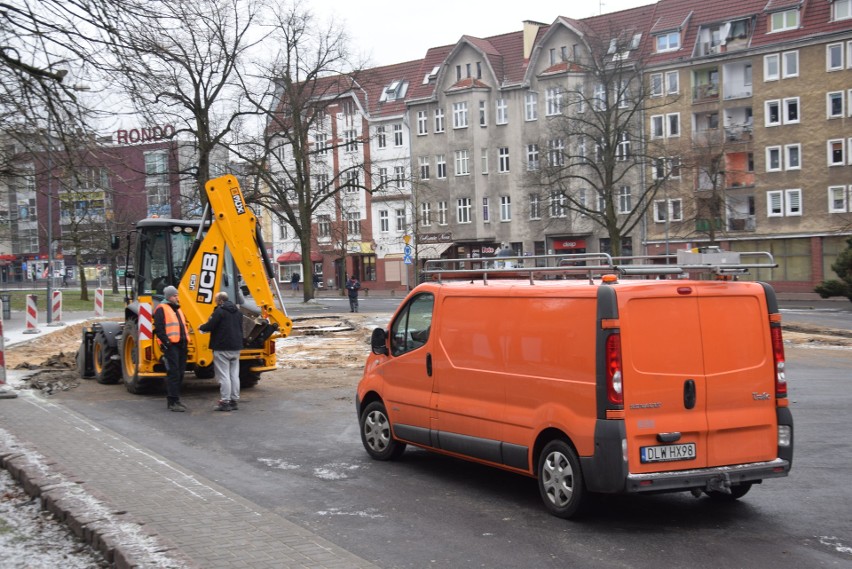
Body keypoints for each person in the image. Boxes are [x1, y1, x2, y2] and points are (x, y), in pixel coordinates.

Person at [199, 291, 243, 412]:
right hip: (236, 347)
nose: (215, 302)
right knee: (234, 375)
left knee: (224, 376)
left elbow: (210, 325)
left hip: (222, 348)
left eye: (215, 300)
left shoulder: (219, 311)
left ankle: (225, 401)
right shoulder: (238, 312)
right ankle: (234, 400)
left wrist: (200, 327)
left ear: (220, 301)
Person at [154, 286, 190, 412]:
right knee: (173, 373)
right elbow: (159, 328)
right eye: (175, 295)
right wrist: (167, 343)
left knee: (180, 373)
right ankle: (173, 401)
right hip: (172, 346)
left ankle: (176, 400)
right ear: (169, 296)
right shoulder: (161, 309)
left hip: (181, 345)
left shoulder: (177, 309)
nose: (177, 297)